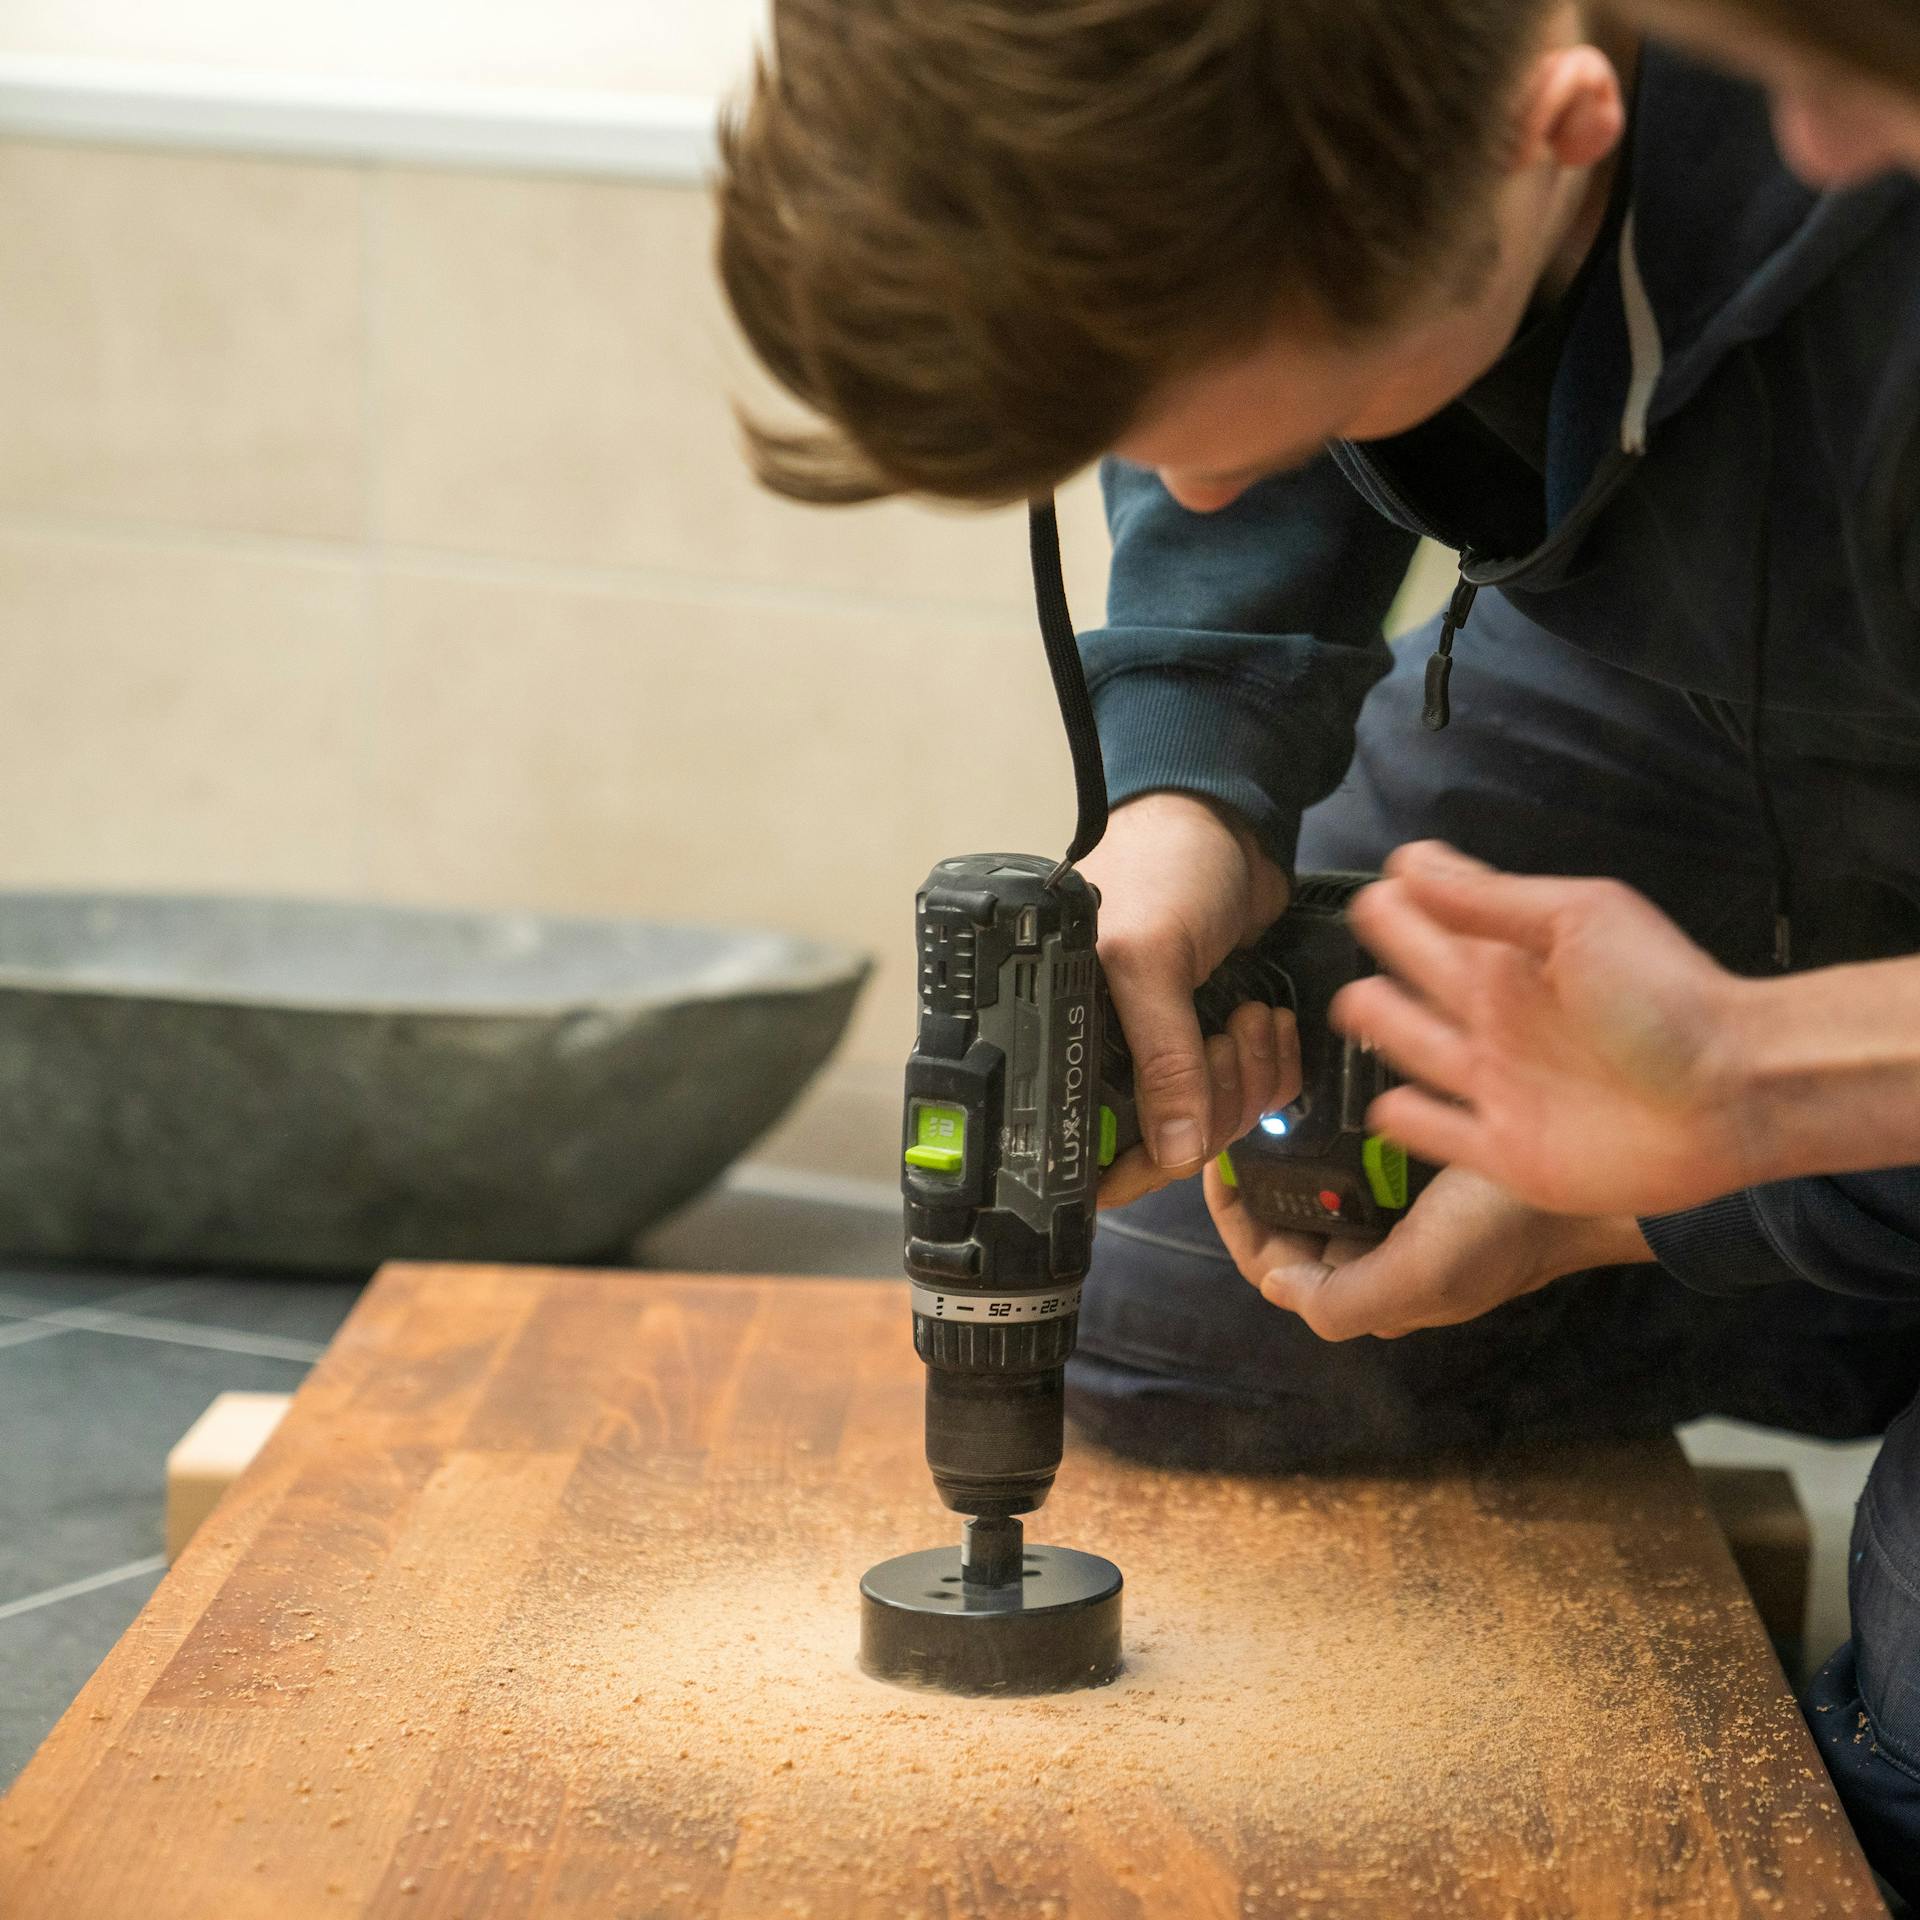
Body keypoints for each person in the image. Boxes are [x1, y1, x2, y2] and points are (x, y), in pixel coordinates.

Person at [718, 0, 1920, 1884]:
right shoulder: (1360, 118)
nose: (1194, 492)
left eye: (1300, 415)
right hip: (1663, 670)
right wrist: (1189, 798)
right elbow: (1234, 296)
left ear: (1551, 132)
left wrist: (1677, 1170)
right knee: (1204, 1318)